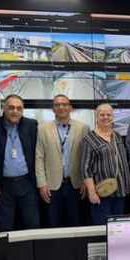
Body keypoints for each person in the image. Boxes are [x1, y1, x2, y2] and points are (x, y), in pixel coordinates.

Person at [35, 94, 90, 227]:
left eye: (64, 104)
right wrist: (42, 184)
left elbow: (87, 157)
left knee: (76, 222)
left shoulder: (83, 128)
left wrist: (86, 181)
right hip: (52, 186)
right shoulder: (42, 129)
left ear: (70, 108)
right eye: (57, 105)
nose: (61, 107)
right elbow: (39, 157)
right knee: (53, 223)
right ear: (53, 109)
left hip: (76, 184)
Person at [0, 94, 39, 231]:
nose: (15, 111)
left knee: (32, 224)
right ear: (4, 108)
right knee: (5, 227)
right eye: (11, 108)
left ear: (22, 110)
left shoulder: (31, 125)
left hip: (27, 184)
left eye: (19, 108)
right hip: (4, 186)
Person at [81, 104, 130, 225]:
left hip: (120, 191)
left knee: (119, 228)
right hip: (102, 194)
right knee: (102, 228)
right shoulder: (89, 140)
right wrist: (92, 192)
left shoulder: (117, 136)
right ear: (96, 118)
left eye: (108, 115)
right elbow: (85, 168)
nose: (106, 117)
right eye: (102, 115)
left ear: (112, 117)